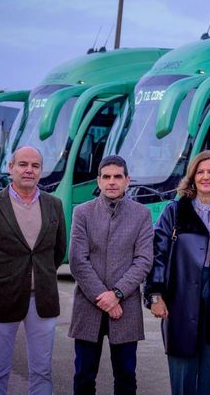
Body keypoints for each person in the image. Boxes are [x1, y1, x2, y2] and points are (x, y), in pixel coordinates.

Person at [0, 146, 67, 395]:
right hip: (2, 297)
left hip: (42, 300)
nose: (29, 170)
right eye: (23, 164)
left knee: (42, 371)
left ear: (41, 171)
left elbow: (58, 251)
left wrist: (40, 277)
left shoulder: (54, 205)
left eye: (35, 166)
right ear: (10, 167)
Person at [145, 150, 210, 395]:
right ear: (192, 177)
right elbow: (158, 255)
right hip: (180, 294)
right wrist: (155, 295)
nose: (205, 177)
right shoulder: (175, 211)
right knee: (182, 369)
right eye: (200, 172)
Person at [68, 155, 153, 395]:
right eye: (106, 177)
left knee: (126, 376)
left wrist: (116, 294)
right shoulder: (82, 212)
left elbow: (143, 260)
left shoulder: (141, 214)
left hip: (125, 308)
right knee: (84, 375)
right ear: (99, 181)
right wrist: (102, 297)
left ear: (127, 180)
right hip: (88, 306)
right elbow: (77, 261)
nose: (112, 182)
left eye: (117, 176)